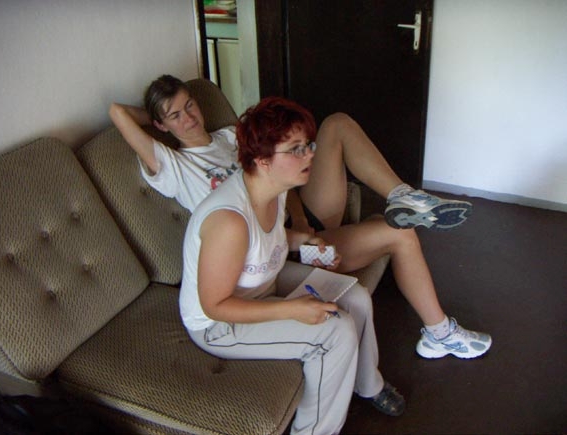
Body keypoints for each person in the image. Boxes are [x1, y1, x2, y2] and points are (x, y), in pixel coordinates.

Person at [110, 75, 492, 360]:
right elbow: (118, 113)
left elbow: (282, 182)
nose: (188, 117)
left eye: (190, 105)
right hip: (264, 254)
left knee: (337, 123)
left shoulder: (229, 136)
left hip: (294, 225)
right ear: (160, 125)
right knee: (401, 235)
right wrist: (159, 112)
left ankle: (403, 195)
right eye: (174, 116)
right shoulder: (174, 166)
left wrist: (299, 222)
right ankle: (439, 332)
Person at [181, 96, 404, 434]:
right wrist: (292, 310)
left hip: (262, 282)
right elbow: (215, 305)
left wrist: (303, 241)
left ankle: (367, 384)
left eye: (308, 145)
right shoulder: (229, 221)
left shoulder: (275, 187)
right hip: (218, 324)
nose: (310, 154)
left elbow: (265, 238)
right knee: (335, 332)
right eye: (296, 149)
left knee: (356, 296)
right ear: (263, 161)